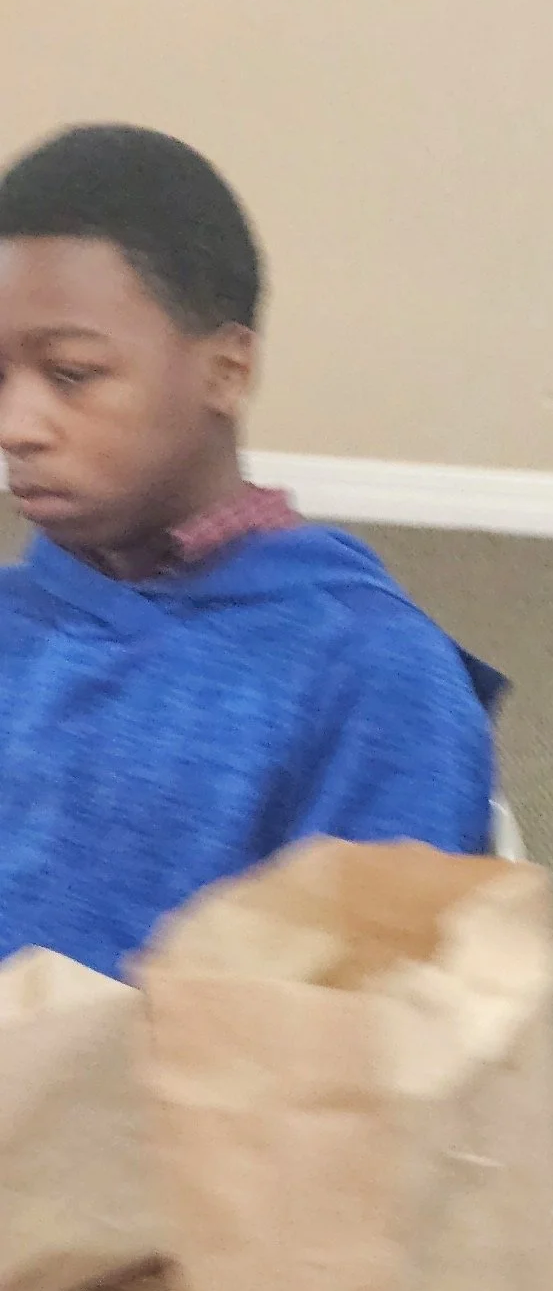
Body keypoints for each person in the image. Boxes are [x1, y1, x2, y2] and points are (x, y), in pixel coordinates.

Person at [0, 124, 500, 979]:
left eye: (72, 375)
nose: (16, 427)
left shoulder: (367, 676)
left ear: (227, 371)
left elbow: (378, 1014)